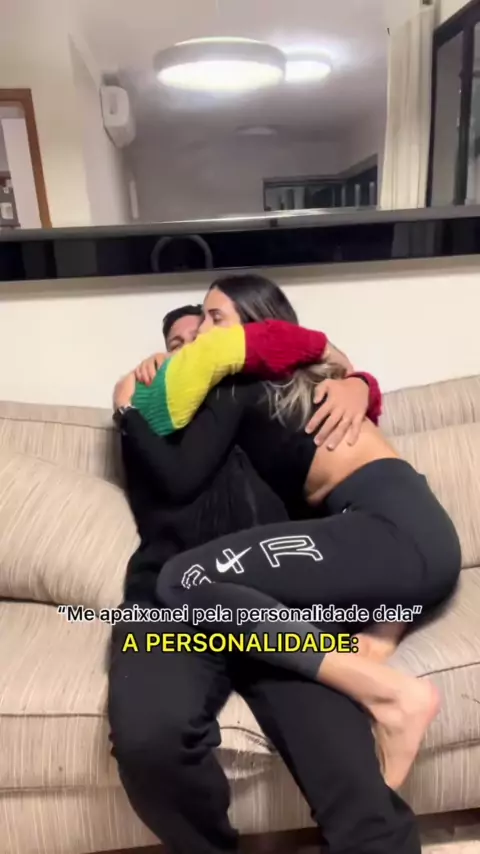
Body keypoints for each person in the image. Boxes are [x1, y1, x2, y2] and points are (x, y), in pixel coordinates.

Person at [124, 274, 461, 793]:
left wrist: (129, 407)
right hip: (408, 544)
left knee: (182, 580)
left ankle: (395, 698)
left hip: (392, 532)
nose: (203, 335)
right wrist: (358, 381)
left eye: (216, 318)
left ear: (254, 326)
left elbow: (179, 476)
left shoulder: (242, 384)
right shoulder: (288, 384)